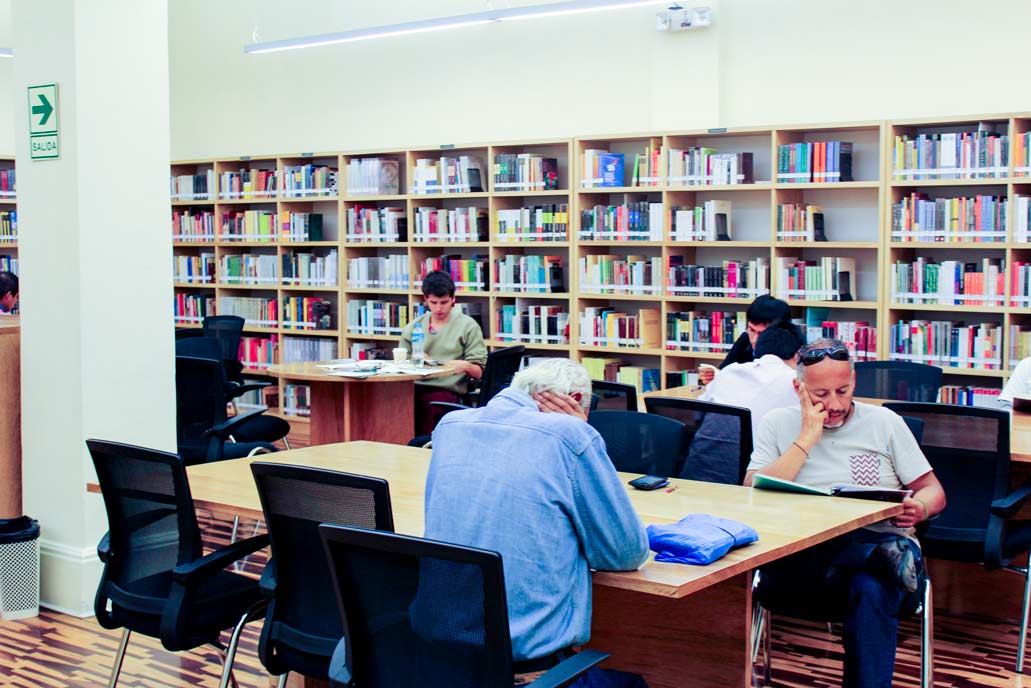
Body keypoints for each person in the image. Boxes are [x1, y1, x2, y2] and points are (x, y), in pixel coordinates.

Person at [423, 358, 649, 672]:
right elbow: (625, 553)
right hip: (529, 664)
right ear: (576, 401)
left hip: (443, 653)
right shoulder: (570, 435)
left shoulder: (450, 426)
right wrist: (580, 430)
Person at [745, 338, 946, 688]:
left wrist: (921, 507)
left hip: (881, 543)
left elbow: (935, 491)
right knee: (869, 567)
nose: (835, 404)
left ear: (854, 380)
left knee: (872, 586)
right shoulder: (778, 424)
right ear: (799, 388)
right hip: (804, 555)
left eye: (843, 389)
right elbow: (752, 492)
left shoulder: (885, 422)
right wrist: (807, 438)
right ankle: (875, 557)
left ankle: (875, 556)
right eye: (820, 394)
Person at [400, 270, 488, 436]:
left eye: (444, 302)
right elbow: (400, 363)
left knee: (423, 405)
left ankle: (420, 449)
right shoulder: (414, 327)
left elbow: (479, 371)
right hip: (413, 387)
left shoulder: (467, 326)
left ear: (453, 299)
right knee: (393, 402)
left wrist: (466, 366)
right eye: (434, 303)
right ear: (425, 300)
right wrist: (414, 359)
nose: (439, 308)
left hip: (447, 389)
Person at [699, 323, 804, 448]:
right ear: (797, 356)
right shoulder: (796, 381)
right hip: (759, 463)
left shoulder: (729, 371)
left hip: (704, 460)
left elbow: (699, 412)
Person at [701, 294, 790, 384]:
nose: (755, 340)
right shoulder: (745, 339)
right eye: (751, 330)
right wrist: (714, 377)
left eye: (762, 333)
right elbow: (725, 370)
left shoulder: (792, 351)